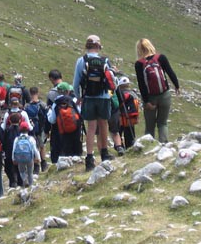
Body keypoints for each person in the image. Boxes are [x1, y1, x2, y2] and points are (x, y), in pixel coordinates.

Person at [73, 35, 116, 171]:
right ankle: (104, 153)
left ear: (87, 46)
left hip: (89, 97)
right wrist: (110, 95)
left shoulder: (81, 60)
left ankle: (90, 158)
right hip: (104, 97)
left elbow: (75, 83)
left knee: (91, 127)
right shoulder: (105, 61)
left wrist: (79, 97)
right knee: (103, 124)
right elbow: (112, 81)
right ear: (98, 46)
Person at [134, 38, 180, 143]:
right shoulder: (161, 58)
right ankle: (164, 145)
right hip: (165, 95)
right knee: (162, 123)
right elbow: (170, 72)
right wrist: (177, 86)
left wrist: (146, 102)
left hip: (151, 98)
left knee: (150, 126)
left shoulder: (139, 64)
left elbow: (141, 84)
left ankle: (149, 147)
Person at [47, 82, 82, 162]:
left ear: (58, 91)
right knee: (76, 150)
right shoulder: (74, 100)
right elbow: (80, 112)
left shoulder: (56, 103)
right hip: (76, 129)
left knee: (66, 151)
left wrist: (48, 112)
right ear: (68, 91)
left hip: (63, 131)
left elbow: (52, 120)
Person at [25, 86, 48, 173]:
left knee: (34, 146)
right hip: (41, 128)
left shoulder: (27, 106)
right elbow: (47, 117)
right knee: (42, 146)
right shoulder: (42, 104)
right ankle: (44, 163)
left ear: (30, 94)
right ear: (37, 93)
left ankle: (36, 166)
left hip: (31, 129)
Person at [13, 121, 41, 188]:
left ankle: (25, 179)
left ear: (20, 129)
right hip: (29, 158)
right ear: (28, 129)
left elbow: (14, 150)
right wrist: (38, 158)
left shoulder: (17, 139)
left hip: (20, 158)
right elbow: (35, 149)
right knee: (30, 172)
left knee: (22, 171)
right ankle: (31, 185)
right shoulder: (31, 138)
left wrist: (13, 159)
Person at [116, 76, 139, 149]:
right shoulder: (133, 94)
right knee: (130, 135)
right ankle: (130, 146)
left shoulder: (118, 95)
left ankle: (120, 147)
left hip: (120, 119)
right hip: (131, 119)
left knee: (118, 133)